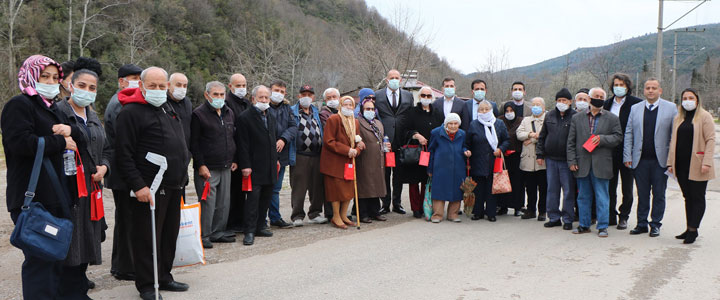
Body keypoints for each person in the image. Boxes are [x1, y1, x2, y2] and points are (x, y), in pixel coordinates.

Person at [2, 55, 82, 299]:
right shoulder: (20, 104)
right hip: (33, 199)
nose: (50, 81)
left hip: (57, 196)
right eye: (43, 76)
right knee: (40, 264)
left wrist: (70, 132)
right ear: (29, 75)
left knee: (55, 262)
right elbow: (20, 143)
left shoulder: (51, 107)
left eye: (55, 77)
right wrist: (59, 140)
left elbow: (77, 134)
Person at [115, 67, 191, 300]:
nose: (157, 90)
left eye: (161, 86)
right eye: (152, 86)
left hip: (174, 185)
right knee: (147, 238)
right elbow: (123, 154)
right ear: (141, 86)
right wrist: (138, 185)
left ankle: (164, 276)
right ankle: (147, 285)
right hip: (149, 188)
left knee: (169, 235)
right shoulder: (130, 114)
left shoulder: (168, 109)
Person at [56, 59, 109, 294]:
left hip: (92, 190)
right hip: (69, 191)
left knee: (89, 240)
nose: (87, 91)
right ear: (70, 85)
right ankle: (71, 291)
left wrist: (105, 167)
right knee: (70, 244)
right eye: (82, 85)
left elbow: (107, 149)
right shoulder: (58, 112)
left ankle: (79, 285)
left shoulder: (94, 116)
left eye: (92, 88)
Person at [623, 78, 677, 238]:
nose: (651, 90)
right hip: (640, 160)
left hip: (661, 161)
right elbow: (629, 133)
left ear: (660, 90)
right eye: (648, 88)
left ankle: (655, 224)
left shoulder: (671, 108)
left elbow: (674, 136)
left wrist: (672, 160)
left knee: (659, 193)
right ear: (644, 91)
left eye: (654, 88)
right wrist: (627, 155)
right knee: (642, 193)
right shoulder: (635, 108)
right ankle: (641, 224)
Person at [105, 63, 143, 281]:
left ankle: (120, 264)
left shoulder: (123, 100)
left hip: (122, 171)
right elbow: (125, 143)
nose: (137, 80)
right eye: (133, 77)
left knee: (125, 219)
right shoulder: (120, 102)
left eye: (139, 77)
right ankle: (125, 267)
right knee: (128, 220)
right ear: (121, 81)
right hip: (123, 173)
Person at [567, 88, 623, 237]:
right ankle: (584, 225)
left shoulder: (612, 118)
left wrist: (602, 139)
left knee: (602, 196)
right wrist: (571, 160)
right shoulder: (577, 118)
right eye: (595, 96)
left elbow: (618, 137)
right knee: (583, 196)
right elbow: (571, 142)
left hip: (602, 164)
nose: (598, 98)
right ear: (590, 99)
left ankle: (603, 226)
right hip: (582, 163)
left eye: (601, 97)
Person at [191, 81, 237, 248]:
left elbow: (232, 137)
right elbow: (194, 144)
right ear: (207, 95)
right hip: (207, 168)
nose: (219, 98)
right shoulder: (198, 114)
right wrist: (200, 165)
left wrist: (234, 159)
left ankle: (218, 232)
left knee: (223, 202)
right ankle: (205, 234)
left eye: (221, 95)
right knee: (208, 203)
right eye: (215, 94)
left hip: (226, 165)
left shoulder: (229, 112)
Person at [667, 88, 715, 244]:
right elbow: (672, 142)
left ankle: (693, 230)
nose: (687, 100)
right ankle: (689, 227)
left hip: (698, 164)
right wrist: (670, 163)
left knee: (697, 197)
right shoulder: (679, 118)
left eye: (691, 98)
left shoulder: (704, 116)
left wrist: (707, 162)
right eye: (685, 98)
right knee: (687, 197)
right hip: (681, 165)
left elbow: (711, 140)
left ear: (697, 100)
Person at [237, 85, 279, 245]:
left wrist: (275, 159)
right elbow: (243, 144)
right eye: (260, 97)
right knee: (253, 200)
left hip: (269, 165)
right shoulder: (245, 117)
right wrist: (245, 165)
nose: (263, 100)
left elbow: (272, 139)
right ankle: (249, 231)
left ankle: (261, 225)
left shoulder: (271, 116)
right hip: (253, 167)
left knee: (266, 198)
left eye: (266, 98)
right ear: (253, 99)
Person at [397, 86, 444, 218]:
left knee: (426, 180)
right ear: (419, 97)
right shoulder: (411, 112)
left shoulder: (437, 112)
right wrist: (416, 135)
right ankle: (415, 208)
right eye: (423, 95)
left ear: (432, 98)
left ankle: (425, 206)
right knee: (414, 181)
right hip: (416, 152)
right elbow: (404, 130)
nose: (426, 98)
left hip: (432, 151)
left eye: (429, 96)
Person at [603, 73, 642, 229]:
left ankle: (624, 216)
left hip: (628, 151)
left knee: (627, 186)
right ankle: (611, 215)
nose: (618, 88)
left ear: (628, 86)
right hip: (609, 151)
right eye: (616, 85)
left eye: (622, 85)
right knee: (609, 186)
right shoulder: (607, 104)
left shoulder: (636, 104)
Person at [320, 96, 365, 228]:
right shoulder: (334, 119)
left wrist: (357, 149)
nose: (348, 107)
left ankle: (344, 215)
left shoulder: (355, 121)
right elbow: (329, 141)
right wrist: (347, 150)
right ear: (340, 105)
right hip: (334, 161)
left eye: (351, 105)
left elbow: (358, 140)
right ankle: (336, 216)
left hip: (349, 161)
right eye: (345, 104)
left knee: (349, 189)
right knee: (336, 189)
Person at [537, 88, 577, 230]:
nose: (561, 103)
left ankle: (567, 219)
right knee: (552, 190)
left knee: (568, 191)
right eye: (559, 100)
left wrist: (574, 160)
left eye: (564, 100)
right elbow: (542, 136)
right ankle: (553, 217)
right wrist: (540, 154)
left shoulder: (575, 116)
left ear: (570, 102)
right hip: (551, 159)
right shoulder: (550, 116)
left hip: (567, 160)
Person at [289, 85, 329, 226]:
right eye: (303, 94)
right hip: (300, 154)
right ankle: (297, 215)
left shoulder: (316, 111)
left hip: (317, 154)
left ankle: (315, 213)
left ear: (313, 97)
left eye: (309, 94)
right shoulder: (292, 111)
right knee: (299, 186)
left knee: (317, 185)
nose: (307, 96)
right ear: (299, 95)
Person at [375, 69, 413, 215]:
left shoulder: (408, 96)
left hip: (401, 141)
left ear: (401, 80)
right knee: (384, 174)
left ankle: (397, 203)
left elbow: (409, 117)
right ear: (386, 80)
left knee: (399, 175)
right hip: (384, 141)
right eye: (392, 77)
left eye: (397, 77)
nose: (395, 80)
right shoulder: (377, 95)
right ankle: (385, 204)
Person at [465, 101, 510, 222]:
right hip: (477, 161)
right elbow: (467, 143)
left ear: (491, 110)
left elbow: (506, 140)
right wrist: (466, 151)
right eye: (481, 109)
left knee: (492, 189)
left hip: (493, 161)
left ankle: (491, 213)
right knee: (478, 190)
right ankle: (477, 212)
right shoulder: (474, 124)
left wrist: (500, 149)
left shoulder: (499, 124)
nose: (484, 111)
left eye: (486, 109)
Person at [355, 89, 391, 223]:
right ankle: (363, 213)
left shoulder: (378, 123)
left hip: (378, 159)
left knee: (376, 185)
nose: (370, 110)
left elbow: (381, 139)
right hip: (364, 159)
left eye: (372, 108)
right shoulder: (358, 121)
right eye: (367, 108)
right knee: (365, 186)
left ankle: (375, 211)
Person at [427, 113, 468, 222]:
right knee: (439, 191)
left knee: (457, 191)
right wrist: (430, 168)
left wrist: (465, 151)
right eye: (451, 123)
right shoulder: (436, 133)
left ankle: (453, 214)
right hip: (440, 167)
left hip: (458, 166)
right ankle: (437, 215)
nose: (453, 126)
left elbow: (464, 146)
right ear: (446, 124)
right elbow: (431, 151)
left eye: (456, 124)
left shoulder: (462, 134)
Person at [225, 73, 253, 233]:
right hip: (233, 156)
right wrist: (234, 158)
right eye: (238, 85)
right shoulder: (226, 103)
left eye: (244, 85)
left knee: (244, 191)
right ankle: (231, 223)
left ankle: (241, 220)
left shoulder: (247, 103)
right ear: (230, 86)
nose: (242, 89)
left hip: (246, 154)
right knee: (232, 192)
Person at [267, 80, 296, 228]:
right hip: (265, 154)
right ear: (269, 90)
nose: (279, 94)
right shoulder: (263, 106)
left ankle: (275, 217)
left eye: (282, 91)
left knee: (276, 188)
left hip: (282, 153)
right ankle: (259, 219)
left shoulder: (287, 108)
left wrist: (284, 139)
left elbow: (293, 127)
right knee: (263, 187)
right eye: (276, 90)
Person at [517, 97, 548, 221]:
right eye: (534, 104)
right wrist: (530, 135)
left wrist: (531, 140)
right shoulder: (526, 120)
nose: (536, 107)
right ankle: (531, 210)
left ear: (544, 107)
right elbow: (519, 134)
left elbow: (545, 136)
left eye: (538, 105)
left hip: (542, 159)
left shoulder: (548, 119)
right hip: (528, 159)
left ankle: (542, 211)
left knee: (543, 187)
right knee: (530, 187)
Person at [497, 102, 524, 216]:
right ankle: (503, 206)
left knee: (517, 182)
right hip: (503, 156)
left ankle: (517, 206)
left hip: (516, 156)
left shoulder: (521, 121)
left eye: (511, 110)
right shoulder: (500, 120)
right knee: (502, 181)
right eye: (506, 111)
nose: (509, 113)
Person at [167, 72, 192, 147]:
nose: (182, 88)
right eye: (178, 85)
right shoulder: (162, 102)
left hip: (185, 151)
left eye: (185, 86)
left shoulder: (187, 102)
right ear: (168, 85)